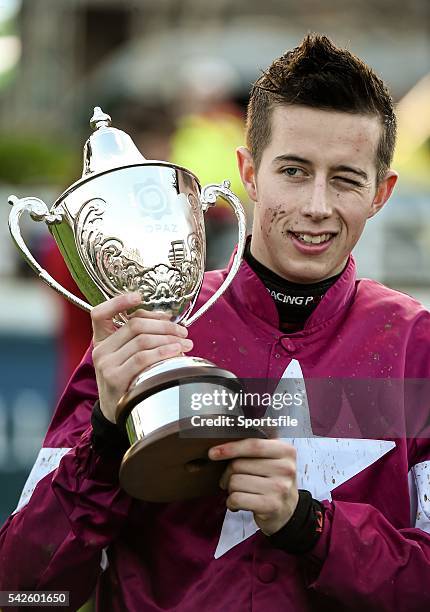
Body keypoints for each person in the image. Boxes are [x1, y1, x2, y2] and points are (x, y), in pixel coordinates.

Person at [1, 33, 430, 611]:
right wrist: (104, 437)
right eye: (294, 171)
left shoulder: (415, 345)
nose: (316, 206)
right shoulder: (147, 332)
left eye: (346, 179)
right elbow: (24, 592)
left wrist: (311, 527)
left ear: (382, 192)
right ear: (248, 173)